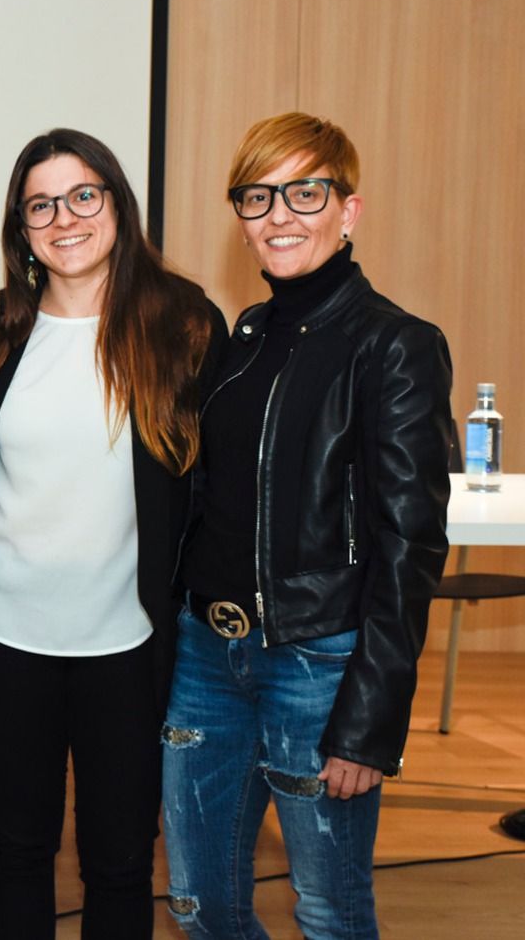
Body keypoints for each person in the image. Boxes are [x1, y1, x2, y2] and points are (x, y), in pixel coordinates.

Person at [163, 112, 452, 939]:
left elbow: (411, 546)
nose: (279, 215)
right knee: (200, 905)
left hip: (318, 663)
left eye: (305, 193)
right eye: (258, 197)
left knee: (329, 912)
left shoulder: (395, 345)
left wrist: (369, 722)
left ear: (348, 210)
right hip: (207, 655)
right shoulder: (245, 337)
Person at [0, 129, 227, 938]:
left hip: (128, 645)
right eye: (40, 205)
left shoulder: (184, 324)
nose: (64, 218)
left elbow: (212, 489)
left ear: (116, 202)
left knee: (120, 862)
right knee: (17, 850)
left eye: (82, 196)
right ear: (21, 227)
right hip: (0, 637)